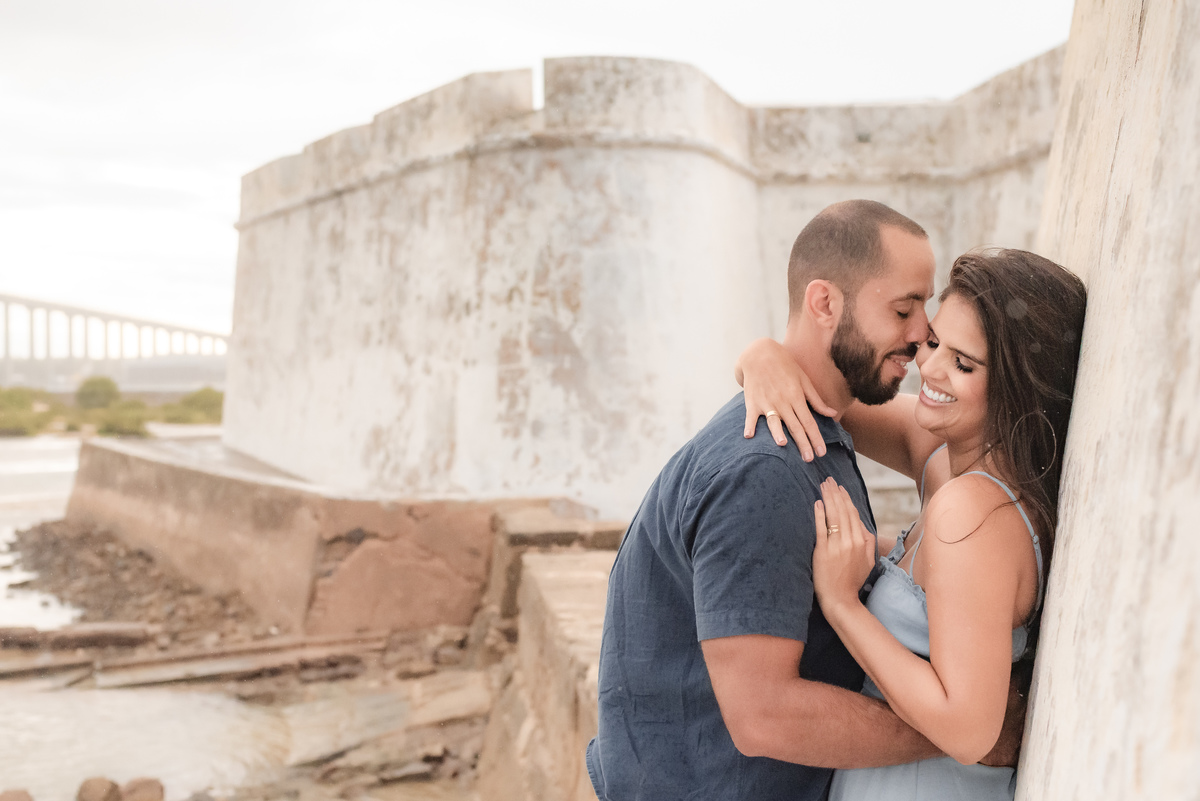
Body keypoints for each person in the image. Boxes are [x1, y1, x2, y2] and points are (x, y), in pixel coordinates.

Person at [585, 200, 1021, 801]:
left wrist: (762, 355)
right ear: (825, 304)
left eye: (930, 318)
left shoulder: (828, 426)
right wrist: (959, 732)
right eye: (904, 309)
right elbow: (765, 716)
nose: (923, 337)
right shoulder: (763, 471)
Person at [735, 247, 1087, 799]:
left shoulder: (971, 511)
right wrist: (761, 357)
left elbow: (969, 730)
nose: (929, 367)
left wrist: (843, 604)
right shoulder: (949, 458)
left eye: (963, 364)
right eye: (934, 342)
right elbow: (819, 396)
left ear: (1019, 387)